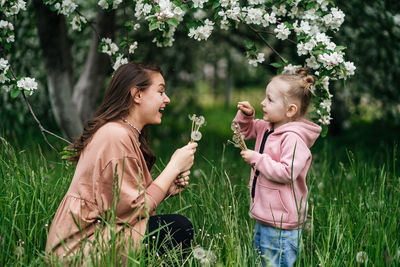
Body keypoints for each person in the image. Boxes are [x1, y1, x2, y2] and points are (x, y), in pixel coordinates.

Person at [46, 62, 198, 263]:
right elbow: (132, 211)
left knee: (172, 229)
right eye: (160, 91)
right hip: (78, 249)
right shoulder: (115, 135)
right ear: (137, 95)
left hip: (94, 238)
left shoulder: (121, 132)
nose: (167, 99)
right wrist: (174, 167)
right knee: (178, 228)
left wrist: (165, 189)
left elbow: (121, 206)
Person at [232, 68, 321, 267]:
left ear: (290, 110)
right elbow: (243, 132)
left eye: (270, 100)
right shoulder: (267, 127)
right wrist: (246, 116)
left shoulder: (293, 138)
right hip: (264, 216)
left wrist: (257, 159)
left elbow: (286, 172)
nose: (263, 103)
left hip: (282, 224)